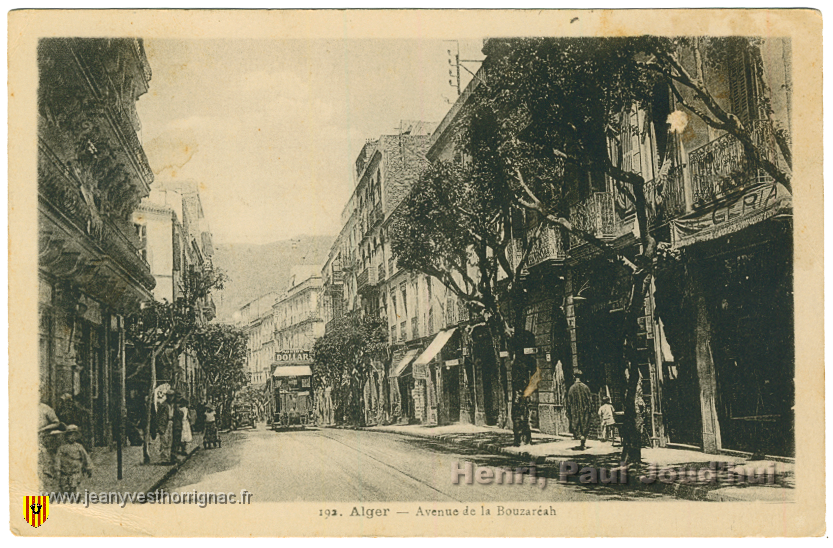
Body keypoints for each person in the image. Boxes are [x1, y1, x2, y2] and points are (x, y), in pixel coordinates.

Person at [55, 425, 93, 494]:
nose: (72, 437)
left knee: (75, 490)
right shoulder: (62, 448)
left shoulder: (79, 447)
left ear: (76, 437)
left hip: (75, 473)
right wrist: (58, 470)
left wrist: (89, 468)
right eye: (70, 435)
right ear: (66, 437)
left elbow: (86, 457)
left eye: (74, 435)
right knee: (65, 491)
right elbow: (58, 459)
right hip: (65, 474)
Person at [566, 371, 592, 449]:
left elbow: (568, 402)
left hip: (575, 411)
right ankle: (583, 441)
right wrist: (590, 410)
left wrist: (568, 411)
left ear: (574, 377)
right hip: (585, 410)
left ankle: (580, 438)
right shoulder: (586, 388)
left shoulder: (571, 388)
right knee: (585, 425)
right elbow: (590, 401)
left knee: (576, 425)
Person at [156, 390, 176, 463]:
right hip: (164, 424)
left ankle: (168, 458)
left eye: (172, 396)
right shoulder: (163, 405)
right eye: (169, 396)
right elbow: (158, 416)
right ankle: (164, 459)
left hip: (171, 423)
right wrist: (159, 426)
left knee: (170, 441)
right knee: (164, 441)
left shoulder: (173, 405)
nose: (170, 397)